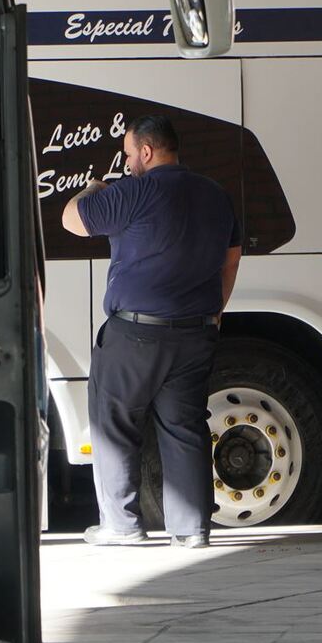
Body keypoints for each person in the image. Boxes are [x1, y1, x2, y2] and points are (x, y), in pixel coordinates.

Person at [61, 114, 241, 548]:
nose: (126, 163)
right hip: (196, 332)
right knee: (185, 428)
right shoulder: (216, 196)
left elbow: (71, 220)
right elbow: (231, 260)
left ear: (146, 151)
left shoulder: (133, 191)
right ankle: (192, 529)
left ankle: (122, 526)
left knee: (114, 421)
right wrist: (214, 312)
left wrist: (93, 189)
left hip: (136, 334)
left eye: (127, 155)